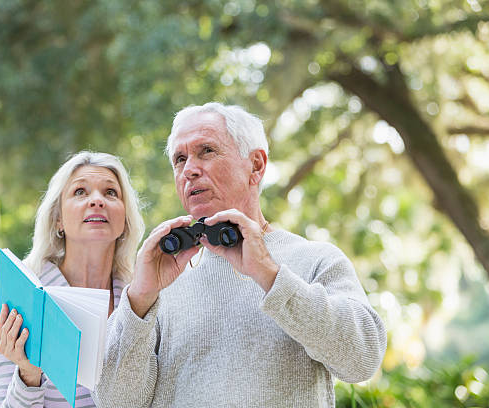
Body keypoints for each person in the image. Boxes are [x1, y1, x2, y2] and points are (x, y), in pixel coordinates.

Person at [93, 103, 387, 407]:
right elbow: (115, 402)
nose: (189, 169)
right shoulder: (158, 283)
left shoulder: (316, 259)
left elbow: (362, 360)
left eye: (206, 150)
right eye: (180, 159)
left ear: (256, 166)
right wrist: (140, 298)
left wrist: (270, 277)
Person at [0, 151, 144, 407]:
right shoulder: (27, 297)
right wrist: (29, 374)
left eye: (111, 193)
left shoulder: (139, 298)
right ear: (58, 219)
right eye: (80, 192)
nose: (97, 200)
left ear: (125, 221)